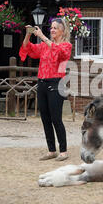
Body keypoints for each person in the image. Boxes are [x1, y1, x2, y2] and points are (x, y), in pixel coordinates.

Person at [19, 18, 72, 161]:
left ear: (62, 30)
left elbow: (58, 52)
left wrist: (42, 36)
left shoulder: (66, 46)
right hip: (42, 83)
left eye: (55, 28)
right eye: (52, 28)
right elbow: (27, 48)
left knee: (56, 118)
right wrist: (28, 34)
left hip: (56, 84)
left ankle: (63, 151)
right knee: (45, 119)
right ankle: (51, 150)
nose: (52, 30)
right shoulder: (43, 47)